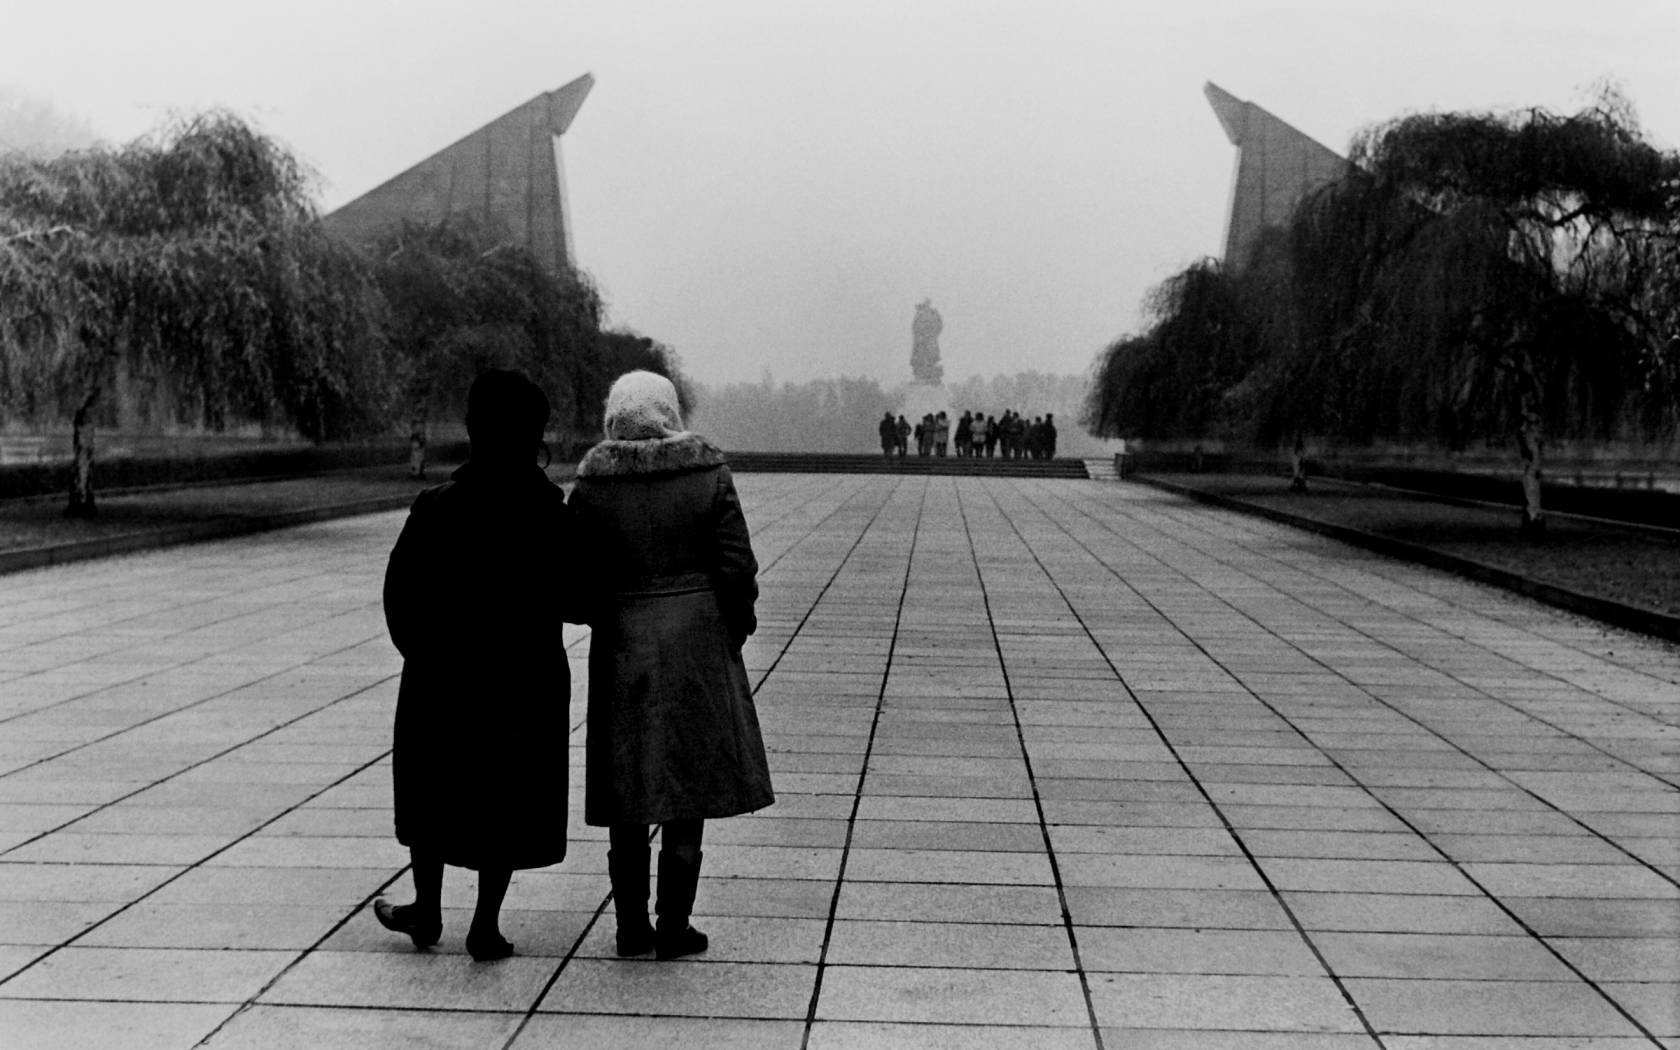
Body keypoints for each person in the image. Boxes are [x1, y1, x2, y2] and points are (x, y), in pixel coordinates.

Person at [568, 371, 774, 961]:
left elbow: (572, 581)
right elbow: (737, 566)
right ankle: (674, 923)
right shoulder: (708, 475)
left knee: (626, 783)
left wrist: (606, 614)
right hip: (696, 640)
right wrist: (731, 629)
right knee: (689, 781)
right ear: (669, 413)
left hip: (624, 643)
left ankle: (631, 924)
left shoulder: (591, 489)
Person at [376, 369, 576, 963]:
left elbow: (400, 594)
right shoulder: (549, 512)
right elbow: (574, 593)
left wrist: (423, 652)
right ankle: (485, 924)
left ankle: (427, 906)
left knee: (433, 785)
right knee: (505, 793)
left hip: (442, 677)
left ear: (474, 429)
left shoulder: (437, 507)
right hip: (523, 678)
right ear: (533, 434)